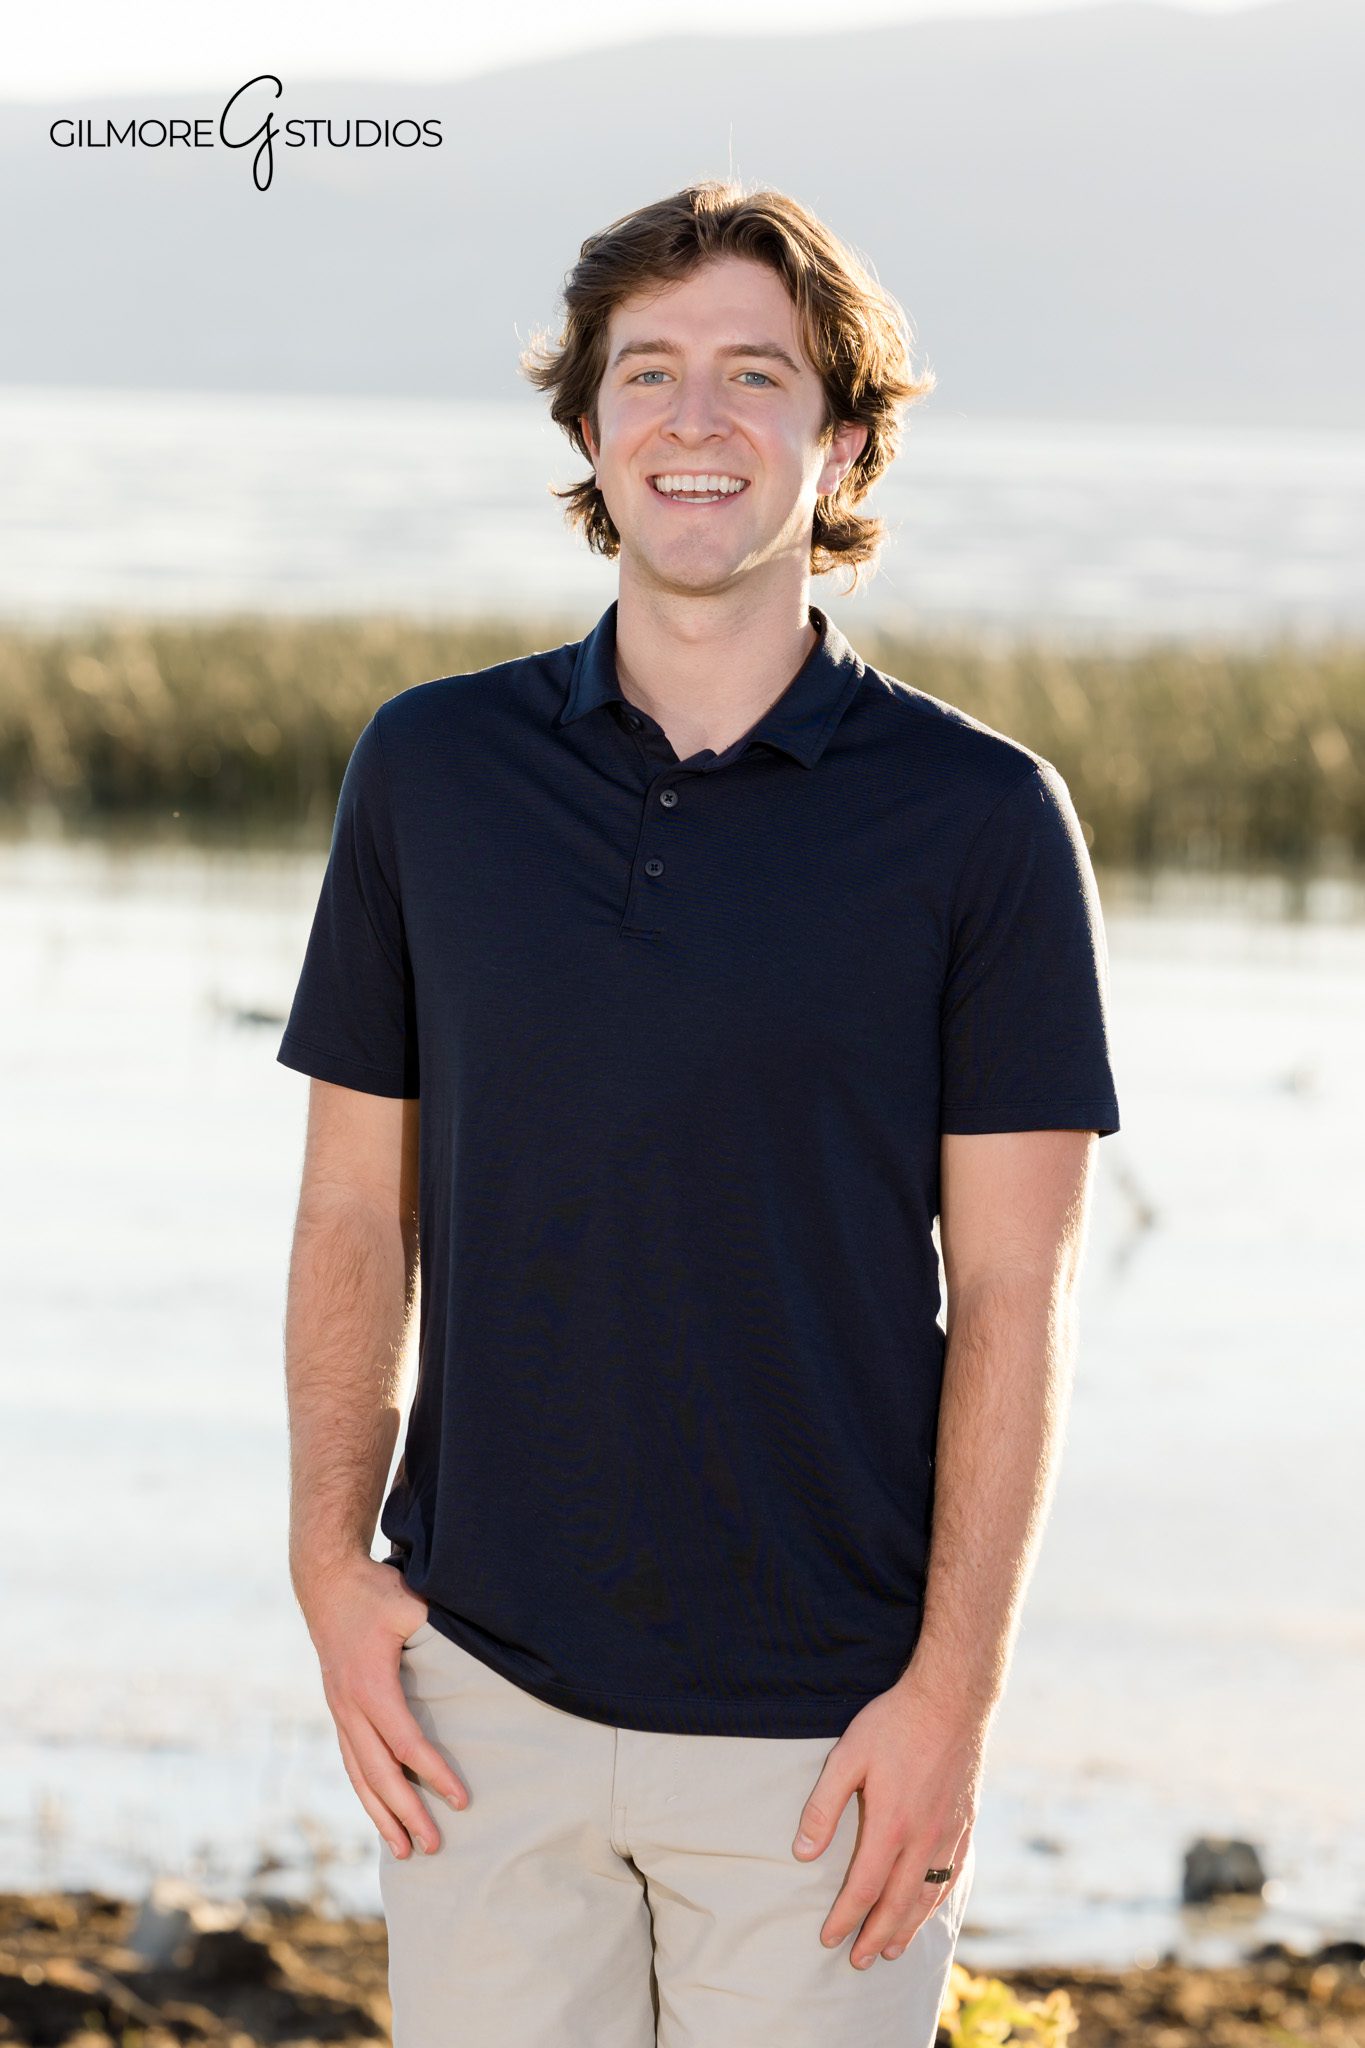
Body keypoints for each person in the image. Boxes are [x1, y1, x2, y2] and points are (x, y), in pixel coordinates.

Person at [276, 180, 1121, 2047]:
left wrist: (948, 1703)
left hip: (828, 1738)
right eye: (645, 373)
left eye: (757, 374)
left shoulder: (979, 822)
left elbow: (1014, 1296)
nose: (695, 419)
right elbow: (352, 1212)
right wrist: (330, 1572)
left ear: (842, 436)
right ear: (585, 427)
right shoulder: (432, 770)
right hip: (479, 1708)